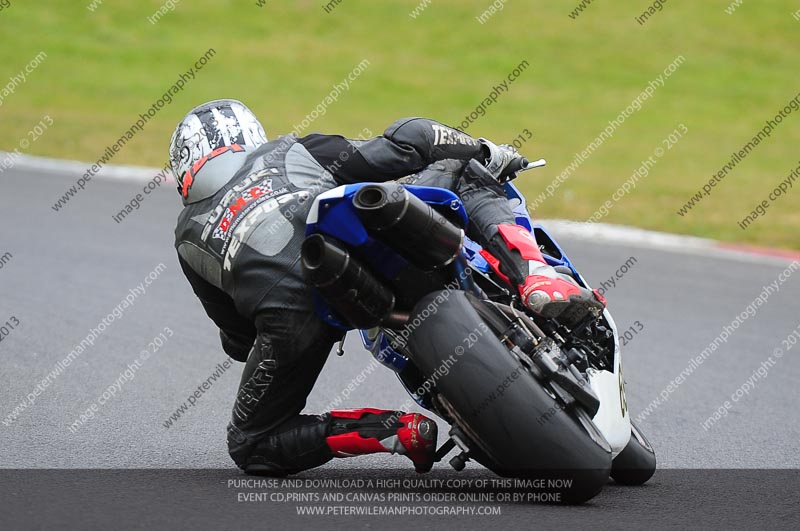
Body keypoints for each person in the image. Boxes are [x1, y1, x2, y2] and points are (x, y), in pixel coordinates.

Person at [170, 99, 604, 476]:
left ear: (186, 167)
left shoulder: (188, 236)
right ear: (249, 134)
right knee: (461, 166)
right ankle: (537, 275)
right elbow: (408, 143)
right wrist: (486, 150)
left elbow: (239, 340)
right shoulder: (291, 150)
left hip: (293, 314)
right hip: (373, 232)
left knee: (252, 443)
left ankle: (389, 432)